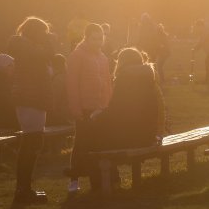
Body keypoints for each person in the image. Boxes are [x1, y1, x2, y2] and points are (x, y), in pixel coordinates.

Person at [87, 48, 165, 188]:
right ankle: (112, 179)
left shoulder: (124, 77)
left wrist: (97, 116)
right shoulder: (149, 77)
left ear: (121, 62)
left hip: (131, 138)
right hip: (147, 136)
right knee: (103, 135)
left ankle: (106, 182)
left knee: (95, 139)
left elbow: (116, 110)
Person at [8, 16, 55, 204]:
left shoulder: (27, 49)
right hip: (31, 99)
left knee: (32, 143)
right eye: (43, 32)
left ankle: (24, 188)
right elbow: (48, 55)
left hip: (32, 99)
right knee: (31, 143)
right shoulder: (29, 50)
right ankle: (23, 189)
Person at [65, 23, 113, 193]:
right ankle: (74, 178)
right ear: (86, 37)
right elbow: (72, 84)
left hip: (100, 108)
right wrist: (75, 108)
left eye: (100, 38)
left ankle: (97, 179)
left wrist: (107, 105)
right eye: (94, 38)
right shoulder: (77, 56)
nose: (98, 42)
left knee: (98, 144)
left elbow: (107, 83)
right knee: (81, 143)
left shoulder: (103, 58)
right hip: (85, 107)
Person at [47, 54, 72, 126]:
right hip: (71, 113)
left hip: (62, 115)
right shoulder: (69, 76)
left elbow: (54, 100)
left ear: (53, 65)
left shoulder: (58, 79)